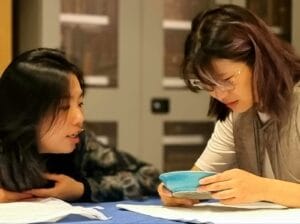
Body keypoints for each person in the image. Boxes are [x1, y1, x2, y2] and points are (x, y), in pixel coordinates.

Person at [158, 4, 300, 208]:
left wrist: (262, 188)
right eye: (208, 85)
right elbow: (198, 181)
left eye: (226, 79)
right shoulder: (237, 115)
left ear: (259, 60)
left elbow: (258, 188)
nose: (219, 94)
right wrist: (179, 192)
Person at [0, 48, 160, 203]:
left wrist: (83, 189)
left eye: (80, 103)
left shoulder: (80, 144)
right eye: (63, 107)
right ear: (24, 112)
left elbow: (151, 176)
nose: (79, 118)